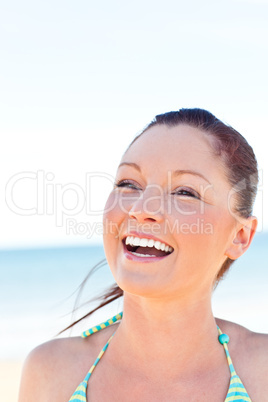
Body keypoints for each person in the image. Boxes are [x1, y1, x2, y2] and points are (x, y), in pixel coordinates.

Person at [19, 108, 268, 402]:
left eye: (185, 192)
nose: (141, 208)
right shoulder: (51, 372)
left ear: (240, 236)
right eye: (128, 184)